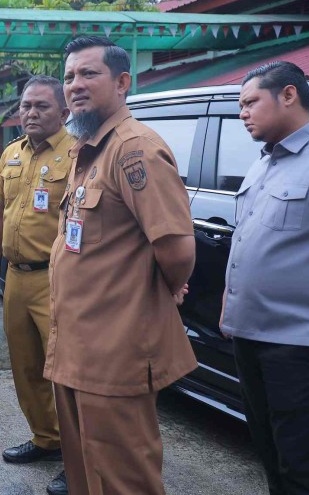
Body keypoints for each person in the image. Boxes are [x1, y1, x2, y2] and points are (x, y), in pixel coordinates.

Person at [44, 36, 196, 495]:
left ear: (122, 82)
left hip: (115, 351)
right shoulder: (88, 148)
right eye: (69, 76)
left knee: (123, 478)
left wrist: (160, 290)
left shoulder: (134, 149)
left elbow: (177, 249)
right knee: (84, 471)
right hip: (76, 345)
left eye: (89, 74)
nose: (75, 84)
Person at [220, 61, 309, 494]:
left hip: (303, 344)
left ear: (289, 95)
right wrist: (230, 304)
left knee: (304, 463)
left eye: (250, 102)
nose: (243, 114)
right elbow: (248, 241)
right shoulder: (262, 163)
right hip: (250, 335)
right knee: (270, 451)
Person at [0, 76, 74, 468]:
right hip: (15, 278)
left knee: (66, 372)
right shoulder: (11, 153)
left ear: (63, 112)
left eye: (42, 106)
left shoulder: (77, 154)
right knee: (25, 367)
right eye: (26, 106)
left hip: (57, 280)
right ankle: (47, 438)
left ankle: (77, 459)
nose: (31, 113)